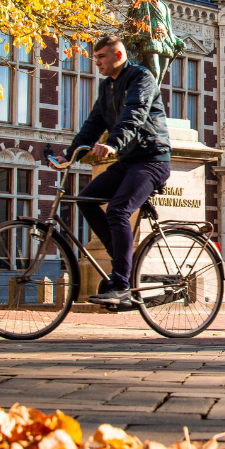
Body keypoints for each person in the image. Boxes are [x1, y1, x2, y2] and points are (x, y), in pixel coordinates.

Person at [62, 35, 172, 308]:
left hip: (152, 160)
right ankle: (122, 264)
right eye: (96, 57)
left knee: (118, 210)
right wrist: (68, 156)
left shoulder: (141, 78)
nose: (96, 62)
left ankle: (122, 284)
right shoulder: (106, 87)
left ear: (119, 56)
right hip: (128, 161)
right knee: (86, 200)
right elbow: (93, 124)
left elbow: (134, 113)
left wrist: (113, 143)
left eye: (101, 57)